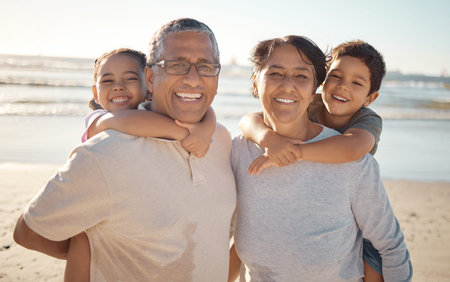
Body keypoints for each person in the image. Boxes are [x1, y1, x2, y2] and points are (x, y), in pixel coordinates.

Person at [13, 18, 236, 281]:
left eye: (206, 66)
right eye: (177, 65)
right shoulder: (104, 154)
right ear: (151, 78)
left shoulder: (221, 139)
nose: (193, 78)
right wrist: (98, 251)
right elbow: (28, 233)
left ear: (217, 77)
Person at [229, 35, 412, 281]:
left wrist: (295, 153)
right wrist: (269, 140)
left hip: (357, 239)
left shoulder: (358, 144)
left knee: (371, 259)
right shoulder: (236, 151)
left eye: (302, 76)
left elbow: (390, 246)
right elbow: (250, 119)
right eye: (275, 73)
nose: (288, 86)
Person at [65, 47, 218, 281]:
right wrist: (188, 133)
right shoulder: (99, 119)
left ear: (149, 84)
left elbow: (208, 110)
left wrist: (207, 126)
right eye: (108, 81)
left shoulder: (149, 114)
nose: (118, 86)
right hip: (90, 203)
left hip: (125, 208)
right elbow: (130, 121)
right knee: (82, 241)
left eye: (130, 78)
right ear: (96, 93)